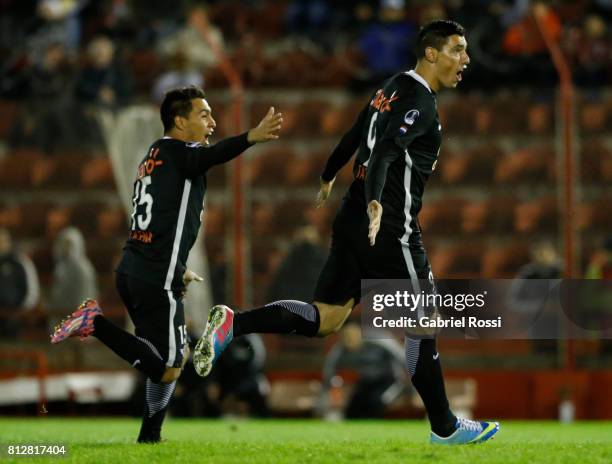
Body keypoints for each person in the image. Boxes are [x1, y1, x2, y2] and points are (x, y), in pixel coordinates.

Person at [194, 20, 499, 445]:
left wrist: (326, 174)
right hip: (387, 223)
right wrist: (376, 200)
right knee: (423, 316)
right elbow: (387, 151)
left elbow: (356, 133)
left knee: (327, 318)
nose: (465, 59)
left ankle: (234, 323)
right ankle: (444, 427)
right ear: (431, 53)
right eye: (457, 50)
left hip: (351, 217)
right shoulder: (420, 102)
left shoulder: (389, 87)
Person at [50, 85, 283, 443]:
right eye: (203, 114)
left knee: (161, 362)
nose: (212, 121)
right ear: (179, 120)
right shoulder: (180, 151)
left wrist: (179, 267)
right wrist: (251, 137)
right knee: (170, 367)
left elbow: (160, 220)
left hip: (137, 267)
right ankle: (94, 323)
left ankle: (149, 437)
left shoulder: (154, 155)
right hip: (154, 276)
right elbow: (214, 155)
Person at [317, 323, 406, 419]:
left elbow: (402, 357)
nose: (350, 342)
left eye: (353, 338)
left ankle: (375, 429)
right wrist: (331, 387)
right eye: (347, 339)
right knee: (353, 408)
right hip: (366, 382)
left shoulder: (379, 341)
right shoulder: (340, 348)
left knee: (377, 402)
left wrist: (414, 389)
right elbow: (329, 369)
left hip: (388, 381)